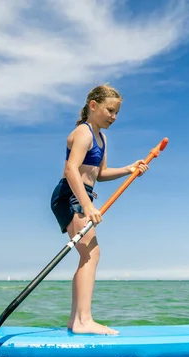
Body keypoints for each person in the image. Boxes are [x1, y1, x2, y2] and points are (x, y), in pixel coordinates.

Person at [50, 84, 149, 335]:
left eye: (116, 113)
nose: (113, 117)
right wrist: (86, 205)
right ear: (93, 106)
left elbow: (100, 174)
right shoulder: (83, 133)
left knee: (88, 255)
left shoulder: (101, 138)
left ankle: (77, 321)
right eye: (110, 110)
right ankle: (83, 321)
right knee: (91, 255)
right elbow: (71, 170)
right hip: (70, 196)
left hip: (79, 195)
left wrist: (129, 169)